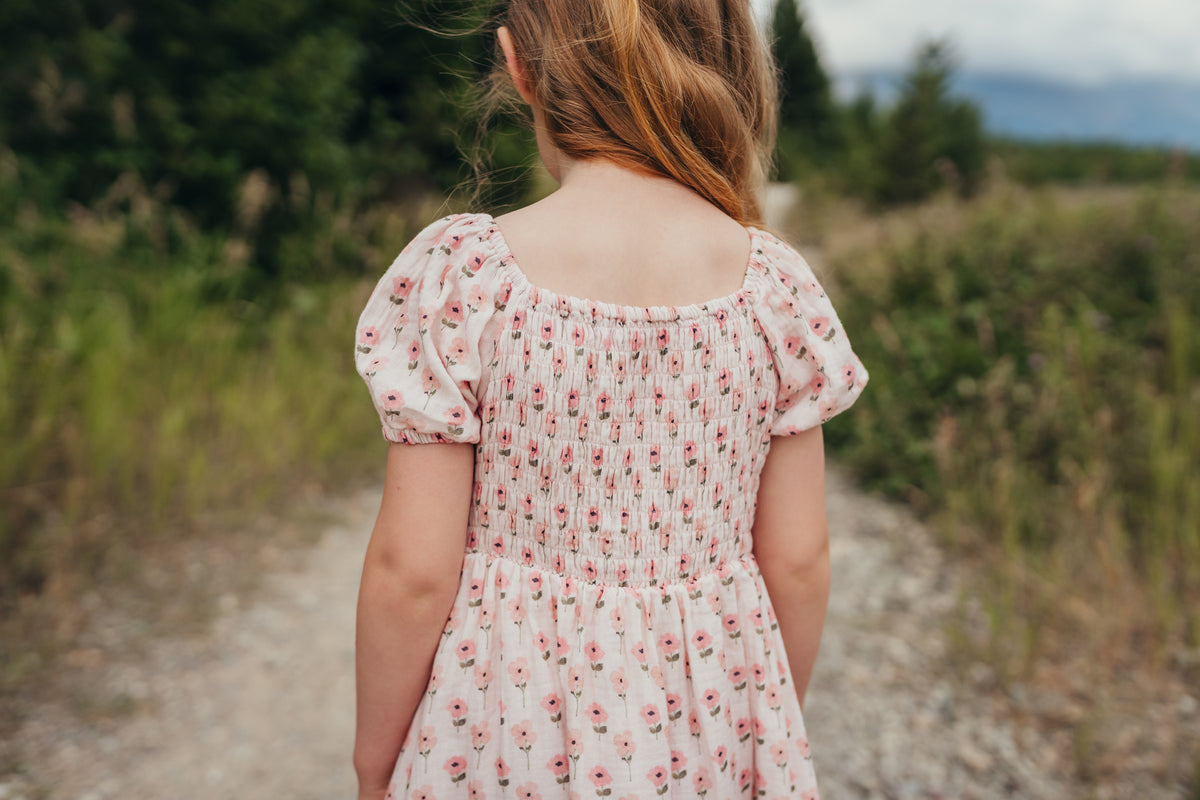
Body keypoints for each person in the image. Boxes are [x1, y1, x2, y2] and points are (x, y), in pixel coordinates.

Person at [351, 0, 868, 797]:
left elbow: (412, 572)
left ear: (517, 63)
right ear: (728, 62)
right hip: (712, 728)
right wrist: (767, 721)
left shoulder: (467, 277)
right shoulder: (776, 292)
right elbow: (798, 562)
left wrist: (375, 760)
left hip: (500, 726)